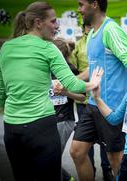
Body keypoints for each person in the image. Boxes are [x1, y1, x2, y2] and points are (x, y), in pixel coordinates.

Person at [0, 2, 102, 181]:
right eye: (53, 21)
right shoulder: (47, 48)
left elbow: (0, 92)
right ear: (38, 23)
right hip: (41, 128)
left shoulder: (6, 47)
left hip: (12, 129)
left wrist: (14, 113)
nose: (57, 26)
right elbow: (72, 84)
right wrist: (93, 84)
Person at [70, 0, 127, 180]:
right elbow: (93, 69)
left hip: (112, 108)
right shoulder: (92, 33)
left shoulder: (111, 30)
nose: (79, 9)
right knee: (77, 151)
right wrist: (72, 81)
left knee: (115, 160)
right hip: (92, 105)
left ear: (94, 4)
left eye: (81, 4)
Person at [70, 23, 113, 181]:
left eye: (92, 28)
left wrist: (73, 81)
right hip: (83, 102)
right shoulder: (78, 46)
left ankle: (107, 170)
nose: (90, 30)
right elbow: (74, 69)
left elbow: (97, 68)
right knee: (82, 146)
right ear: (83, 30)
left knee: (105, 143)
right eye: (87, 28)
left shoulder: (104, 39)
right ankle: (91, 173)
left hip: (102, 99)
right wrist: (74, 83)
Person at [52, 38, 85, 181]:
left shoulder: (70, 69)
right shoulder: (45, 69)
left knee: (51, 161)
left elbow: (82, 97)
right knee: (47, 161)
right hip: (47, 120)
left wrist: (65, 92)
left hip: (64, 120)